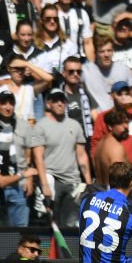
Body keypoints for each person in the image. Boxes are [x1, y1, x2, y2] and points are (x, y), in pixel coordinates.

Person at [31, 88, 91, 229]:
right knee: (49, 225)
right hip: (51, 180)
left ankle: (69, 251)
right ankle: (47, 252)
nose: (59, 104)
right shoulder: (41, 126)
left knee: (72, 225)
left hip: (72, 181)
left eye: (62, 100)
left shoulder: (75, 125)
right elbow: (38, 157)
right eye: (55, 101)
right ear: (48, 104)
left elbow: (82, 156)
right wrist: (44, 184)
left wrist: (88, 184)